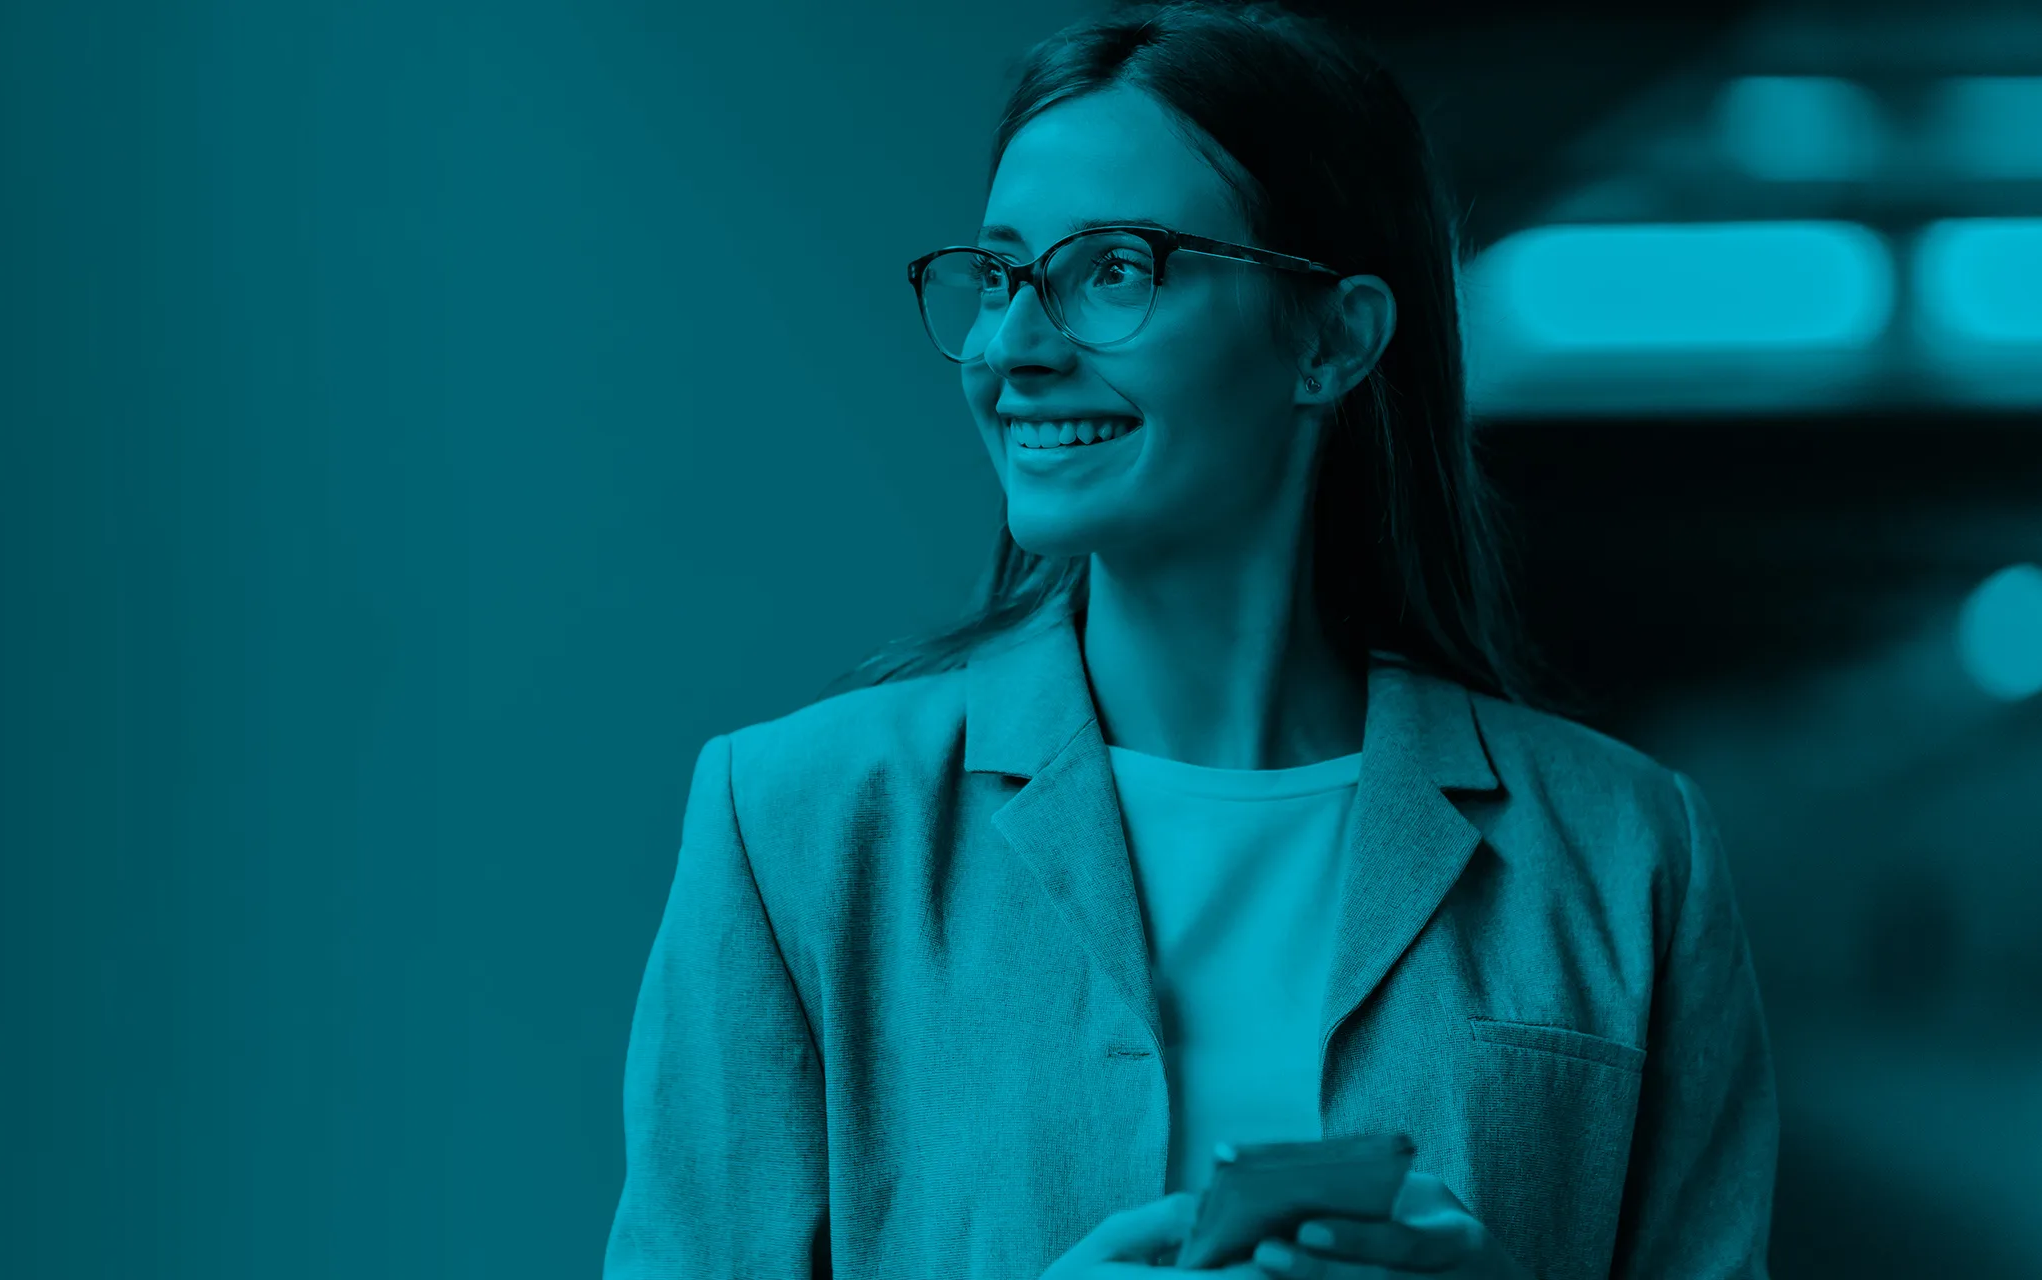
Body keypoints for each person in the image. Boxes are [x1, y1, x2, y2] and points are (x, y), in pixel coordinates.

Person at [602, 3, 1777, 1277]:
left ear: (1333, 338)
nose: (1011, 346)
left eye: (1113, 267)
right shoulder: (801, 829)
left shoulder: (1623, 852)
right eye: (1000, 274)